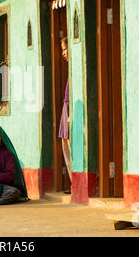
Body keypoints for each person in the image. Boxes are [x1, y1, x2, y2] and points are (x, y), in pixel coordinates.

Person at [58, 37, 72, 194]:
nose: (63, 53)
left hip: (69, 107)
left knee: (69, 144)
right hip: (65, 105)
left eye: (64, 49)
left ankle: (75, 183)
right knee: (65, 143)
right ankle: (73, 182)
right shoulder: (70, 70)